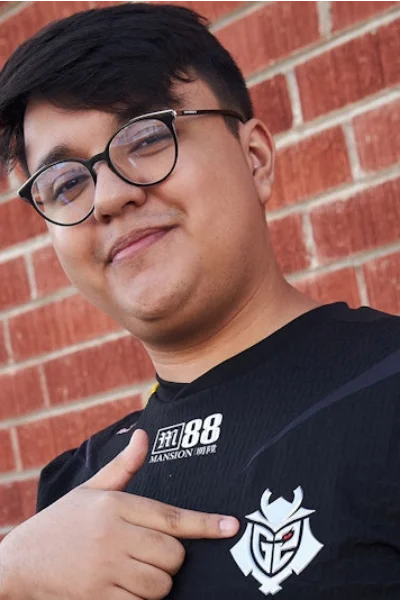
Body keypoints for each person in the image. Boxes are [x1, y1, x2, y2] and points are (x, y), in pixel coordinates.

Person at [0, 3, 399, 599]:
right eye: (67, 183)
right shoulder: (73, 492)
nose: (107, 197)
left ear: (255, 159)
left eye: (145, 137)